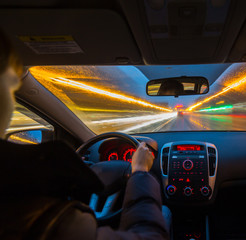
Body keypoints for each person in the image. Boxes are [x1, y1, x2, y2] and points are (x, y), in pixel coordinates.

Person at [0, 30, 170, 239]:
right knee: (165, 213)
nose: (15, 88)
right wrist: (140, 171)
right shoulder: (54, 222)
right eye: (11, 85)